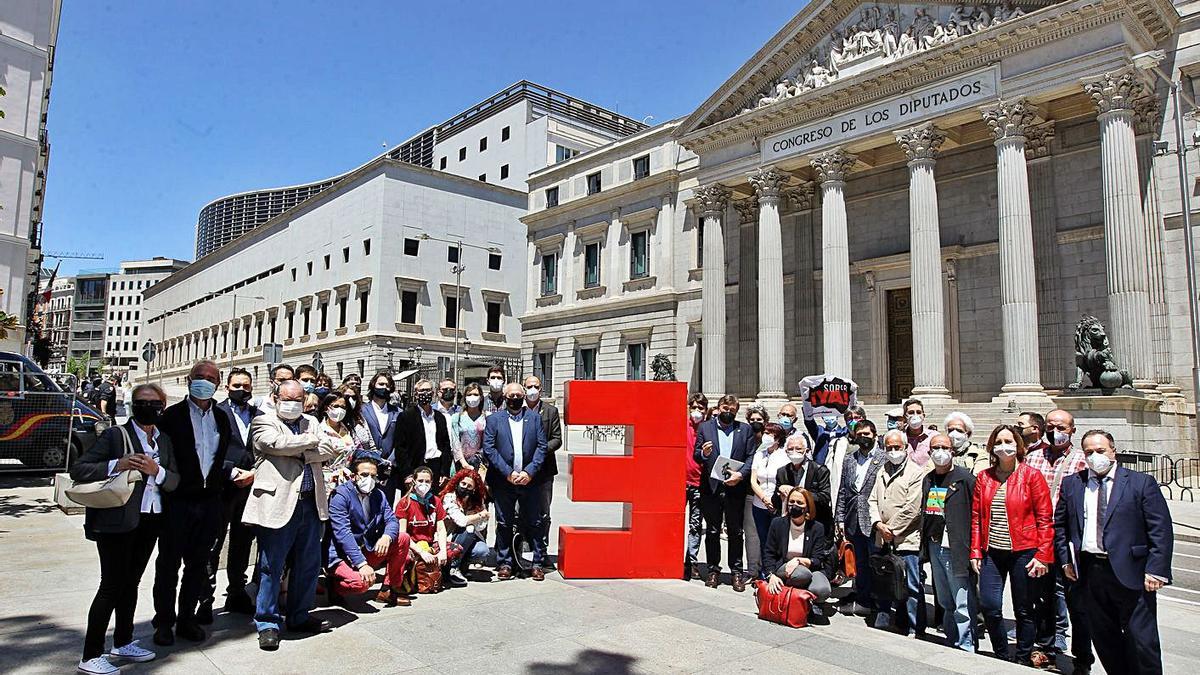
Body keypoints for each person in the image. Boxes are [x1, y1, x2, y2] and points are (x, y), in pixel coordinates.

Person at [73, 384, 179, 675]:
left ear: (162, 405)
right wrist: (116, 464)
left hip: (149, 519)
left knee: (131, 583)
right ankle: (91, 653)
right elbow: (79, 469)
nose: (149, 407)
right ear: (133, 405)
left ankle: (123, 640)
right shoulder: (114, 435)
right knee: (110, 586)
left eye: (154, 402)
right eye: (142, 402)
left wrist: (156, 472)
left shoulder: (163, 440)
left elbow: (174, 481)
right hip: (116, 522)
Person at [1055, 430, 1173, 675]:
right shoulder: (1072, 483)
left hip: (1132, 572)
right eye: (1089, 452)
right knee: (1104, 637)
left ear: (1113, 451)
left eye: (1100, 451)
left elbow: (1160, 529)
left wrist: (1156, 570)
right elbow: (1061, 526)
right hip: (1090, 571)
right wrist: (1066, 560)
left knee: (1141, 640)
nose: (1095, 456)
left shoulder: (1140, 483)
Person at [243, 379, 339, 651]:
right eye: (288, 398)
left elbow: (331, 449)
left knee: (308, 565)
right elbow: (273, 443)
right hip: (278, 503)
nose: (293, 404)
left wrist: (299, 449)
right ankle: (267, 623)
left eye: (298, 399)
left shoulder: (311, 421)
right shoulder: (264, 420)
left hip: (310, 503)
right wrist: (310, 446)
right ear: (275, 397)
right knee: (271, 566)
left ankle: (298, 616)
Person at [152, 360, 233, 647]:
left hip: (209, 502)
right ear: (189, 380)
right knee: (168, 564)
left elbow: (219, 458)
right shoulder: (170, 417)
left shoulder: (222, 419)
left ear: (218, 384)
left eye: (211, 378)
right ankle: (163, 621)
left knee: (198, 565)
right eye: (199, 377)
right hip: (178, 502)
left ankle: (187, 618)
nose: (204, 382)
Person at [971, 424, 1053, 665]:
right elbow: (976, 518)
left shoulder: (1031, 476)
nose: (1003, 447)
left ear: (1018, 446)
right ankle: (1001, 652)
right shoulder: (984, 477)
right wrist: (975, 550)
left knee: (1024, 608)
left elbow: (1045, 518)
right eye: (998, 442)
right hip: (992, 552)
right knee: (989, 605)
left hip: (1024, 551)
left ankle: (1023, 655)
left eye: (1008, 442)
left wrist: (1043, 554)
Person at [1026, 408, 1090, 667]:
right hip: (1039, 537)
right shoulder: (1032, 458)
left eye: (1062, 427)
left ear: (1072, 430)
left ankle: (1082, 655)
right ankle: (1047, 646)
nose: (1056, 432)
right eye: (1051, 426)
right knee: (1042, 596)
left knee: (1075, 598)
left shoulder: (1081, 460)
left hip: (1067, 537)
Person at [204, 368, 260, 620]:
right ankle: (204, 599)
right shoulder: (215, 414)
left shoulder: (258, 414)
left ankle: (237, 591)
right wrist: (231, 472)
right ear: (227, 387)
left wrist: (254, 473)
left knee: (242, 543)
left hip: (249, 489)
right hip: (221, 488)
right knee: (213, 544)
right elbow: (207, 450)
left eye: (246, 386)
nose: (241, 390)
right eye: (236, 385)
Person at [482, 382, 549, 580]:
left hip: (531, 480)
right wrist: (508, 473)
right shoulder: (494, 420)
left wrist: (529, 472)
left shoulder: (535, 418)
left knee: (535, 522)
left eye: (519, 395)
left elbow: (541, 447)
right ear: (504, 396)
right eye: (511, 395)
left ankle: (537, 562)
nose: (515, 398)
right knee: (504, 523)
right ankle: (505, 562)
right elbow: (489, 448)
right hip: (504, 481)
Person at [325, 452, 410, 606]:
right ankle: (335, 586)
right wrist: (362, 564)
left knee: (402, 538)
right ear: (354, 476)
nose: (369, 479)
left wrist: (387, 537)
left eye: (373, 475)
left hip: (366, 548)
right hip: (341, 554)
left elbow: (391, 520)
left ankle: (389, 589)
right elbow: (343, 533)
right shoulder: (340, 495)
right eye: (364, 474)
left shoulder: (378, 495)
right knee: (361, 584)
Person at [869, 429, 929, 635]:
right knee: (886, 580)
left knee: (911, 584)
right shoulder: (882, 470)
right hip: (883, 537)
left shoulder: (916, 473)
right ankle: (888, 618)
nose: (893, 451)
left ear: (905, 448)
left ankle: (915, 627)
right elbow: (873, 500)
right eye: (889, 448)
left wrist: (891, 529)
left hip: (906, 538)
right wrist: (878, 523)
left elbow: (913, 508)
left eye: (897, 447)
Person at [921, 433, 976, 652]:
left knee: (962, 601)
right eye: (935, 448)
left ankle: (966, 645)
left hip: (955, 546)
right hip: (935, 546)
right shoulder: (929, 479)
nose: (940, 452)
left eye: (944, 447)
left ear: (952, 451)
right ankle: (952, 641)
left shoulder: (965, 479)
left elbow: (976, 515)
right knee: (944, 600)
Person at [694, 394, 755, 591]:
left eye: (732, 410)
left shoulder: (744, 430)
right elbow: (697, 454)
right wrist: (704, 453)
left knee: (736, 531)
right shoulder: (705, 427)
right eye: (724, 409)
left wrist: (741, 475)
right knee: (712, 530)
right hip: (711, 487)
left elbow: (751, 456)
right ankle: (713, 569)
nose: (727, 412)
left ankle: (736, 571)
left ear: (736, 411)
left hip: (734, 486)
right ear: (718, 408)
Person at [835, 420, 884, 616]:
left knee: (877, 563)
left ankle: (881, 604)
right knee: (861, 563)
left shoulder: (883, 458)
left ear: (875, 435)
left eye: (867, 433)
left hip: (874, 520)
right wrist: (839, 518)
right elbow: (843, 491)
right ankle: (863, 600)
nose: (863, 437)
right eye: (860, 434)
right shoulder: (849, 459)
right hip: (852, 519)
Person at [394, 465, 464, 598]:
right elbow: (402, 534)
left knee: (455, 549)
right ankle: (410, 578)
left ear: (432, 483)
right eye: (420, 481)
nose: (423, 484)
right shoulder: (404, 503)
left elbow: (441, 528)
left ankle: (439, 574)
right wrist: (420, 552)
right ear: (413, 481)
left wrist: (442, 551)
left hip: (430, 544)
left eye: (427, 481)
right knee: (407, 557)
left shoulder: (435, 501)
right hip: (412, 545)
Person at [763, 487, 834, 614]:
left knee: (822, 589)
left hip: (808, 568)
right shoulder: (777, 524)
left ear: (807, 507)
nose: (794, 505)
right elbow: (769, 553)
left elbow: (818, 559)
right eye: (792, 501)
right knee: (802, 574)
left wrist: (798, 560)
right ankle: (791, 599)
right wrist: (771, 576)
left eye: (799, 503)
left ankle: (807, 603)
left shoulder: (817, 528)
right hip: (784, 568)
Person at [524, 374, 562, 569]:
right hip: (521, 470)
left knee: (543, 513)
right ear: (524, 389)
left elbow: (557, 439)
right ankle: (521, 550)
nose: (532, 390)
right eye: (529, 386)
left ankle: (543, 551)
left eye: (535, 386)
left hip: (544, 471)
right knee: (518, 512)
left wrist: (539, 450)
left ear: (541, 389)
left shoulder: (551, 411)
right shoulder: (517, 409)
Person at [393, 379, 453, 491]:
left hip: (435, 467)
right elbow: (400, 448)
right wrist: (407, 474)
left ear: (433, 393)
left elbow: (445, 445)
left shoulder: (439, 417)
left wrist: (445, 471)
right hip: (415, 467)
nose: (425, 394)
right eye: (422, 391)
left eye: (428, 390)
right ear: (416, 395)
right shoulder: (406, 416)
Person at [748, 423, 791, 579]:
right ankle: (764, 572)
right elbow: (753, 481)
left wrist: (773, 500)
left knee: (776, 540)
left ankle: (776, 571)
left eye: (770, 434)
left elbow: (785, 480)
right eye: (765, 432)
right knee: (763, 538)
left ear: (778, 438)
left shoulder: (784, 456)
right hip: (759, 503)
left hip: (778, 504)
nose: (766, 435)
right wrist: (764, 498)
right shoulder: (759, 454)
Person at [440, 467, 492, 586]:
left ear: (474, 489)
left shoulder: (477, 501)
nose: (465, 488)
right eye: (463, 484)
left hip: (470, 538)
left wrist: (473, 518)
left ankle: (462, 565)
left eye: (469, 486)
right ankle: (453, 566)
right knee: (469, 528)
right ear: (457, 482)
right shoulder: (449, 497)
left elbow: (481, 526)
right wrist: (478, 516)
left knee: (482, 551)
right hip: (450, 537)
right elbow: (461, 521)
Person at [774, 432, 832, 533]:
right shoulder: (782, 472)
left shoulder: (820, 470)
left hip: (814, 522)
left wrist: (798, 494)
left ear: (806, 451)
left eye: (798, 449)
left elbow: (825, 497)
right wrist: (779, 491)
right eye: (790, 449)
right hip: (791, 523)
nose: (794, 452)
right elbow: (776, 502)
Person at [315, 391, 364, 488]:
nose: (340, 410)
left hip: (347, 481)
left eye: (343, 407)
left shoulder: (348, 430)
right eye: (336, 406)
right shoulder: (318, 430)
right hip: (326, 482)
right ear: (326, 408)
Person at [363, 371, 401, 492]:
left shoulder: (398, 412)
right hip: (367, 466)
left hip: (389, 470)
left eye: (387, 385)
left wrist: (390, 461)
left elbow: (401, 440)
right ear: (373, 385)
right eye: (381, 384)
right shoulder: (362, 410)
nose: (384, 387)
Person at [684, 393, 708, 580]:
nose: (697, 411)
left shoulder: (708, 429)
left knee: (695, 524)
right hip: (679, 482)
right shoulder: (681, 425)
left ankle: (690, 562)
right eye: (694, 407)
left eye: (701, 408)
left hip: (699, 484)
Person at [450, 383, 488, 469]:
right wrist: (464, 463)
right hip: (460, 465)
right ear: (465, 397)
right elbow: (455, 442)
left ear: (481, 397)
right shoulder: (456, 417)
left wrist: (479, 460)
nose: (472, 397)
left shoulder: (487, 417)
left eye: (475, 394)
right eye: (469, 394)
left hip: (481, 464)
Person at [901, 398, 933, 466]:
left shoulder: (934, 437)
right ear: (904, 417)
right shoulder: (899, 437)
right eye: (911, 413)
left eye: (918, 412)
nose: (915, 415)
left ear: (923, 416)